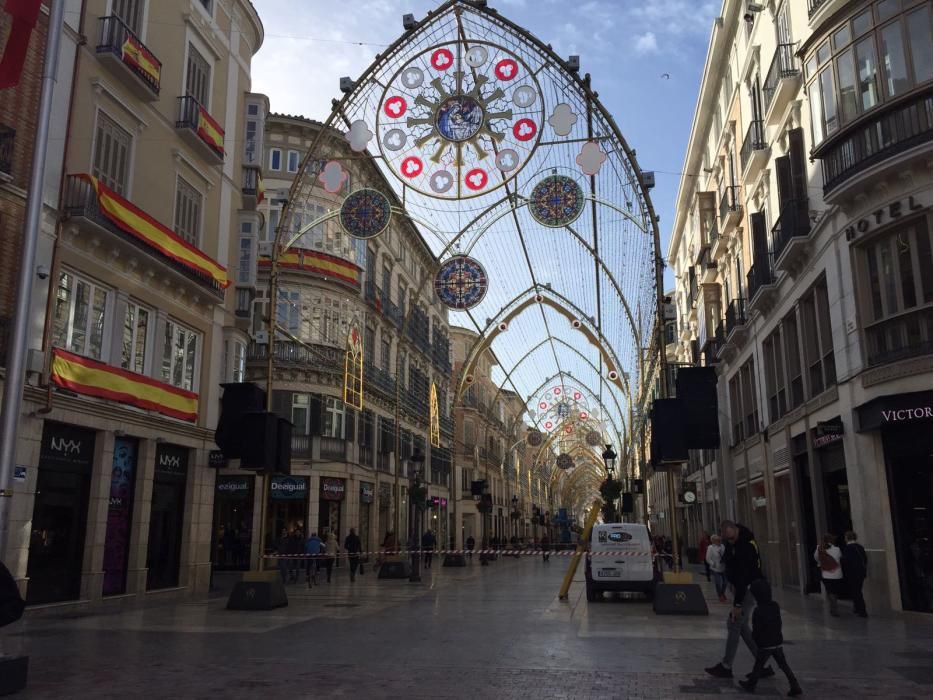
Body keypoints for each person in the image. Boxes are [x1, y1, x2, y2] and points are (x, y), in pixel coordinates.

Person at [706, 520, 773, 680]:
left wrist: (737, 604)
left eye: (727, 535)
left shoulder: (746, 546)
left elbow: (744, 575)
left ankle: (726, 666)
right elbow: (729, 563)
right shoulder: (733, 543)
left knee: (734, 623)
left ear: (733, 529)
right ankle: (761, 663)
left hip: (749, 588)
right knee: (741, 626)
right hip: (743, 587)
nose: (726, 539)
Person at [737, 579, 802, 696]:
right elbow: (778, 623)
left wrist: (755, 638)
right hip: (777, 642)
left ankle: (751, 685)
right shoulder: (775, 606)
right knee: (784, 665)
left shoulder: (758, 610)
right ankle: (795, 685)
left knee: (758, 665)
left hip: (765, 644)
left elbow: (757, 629)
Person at [815, 533, 843, 617]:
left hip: (826, 574)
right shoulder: (837, 549)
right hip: (837, 574)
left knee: (830, 591)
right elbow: (840, 558)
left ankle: (833, 607)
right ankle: (834, 607)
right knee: (835, 591)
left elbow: (816, 558)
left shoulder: (819, 548)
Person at [706, 534, 728, 603]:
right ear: (713, 541)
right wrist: (713, 564)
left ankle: (722, 593)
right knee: (718, 582)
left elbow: (726, 554)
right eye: (717, 540)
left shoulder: (722, 546)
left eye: (719, 540)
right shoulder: (710, 547)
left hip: (723, 567)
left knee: (725, 582)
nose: (719, 541)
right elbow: (708, 558)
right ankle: (720, 595)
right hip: (715, 568)